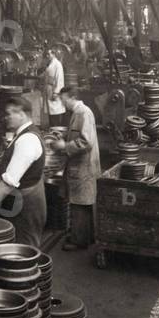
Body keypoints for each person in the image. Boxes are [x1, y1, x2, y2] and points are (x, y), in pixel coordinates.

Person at [0, 96, 47, 248]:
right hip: (18, 201)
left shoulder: (27, 139)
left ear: (22, 114)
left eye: (9, 114)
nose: (5, 118)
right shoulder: (20, 135)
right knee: (13, 249)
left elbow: (10, 180)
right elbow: (4, 166)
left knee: (24, 251)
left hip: (26, 206)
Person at [52, 86, 101, 251]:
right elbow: (79, 134)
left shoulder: (82, 113)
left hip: (83, 166)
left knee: (79, 202)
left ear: (72, 97)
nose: (62, 102)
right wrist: (65, 136)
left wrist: (64, 145)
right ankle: (86, 237)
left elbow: (86, 142)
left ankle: (78, 241)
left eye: (64, 99)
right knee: (83, 201)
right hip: (80, 165)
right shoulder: (78, 113)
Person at [41, 48, 66, 127]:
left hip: (54, 90)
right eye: (47, 54)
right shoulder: (50, 63)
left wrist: (56, 92)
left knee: (55, 112)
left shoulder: (57, 64)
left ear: (54, 54)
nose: (47, 56)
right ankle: (52, 130)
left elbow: (60, 79)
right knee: (51, 112)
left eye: (49, 54)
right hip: (48, 89)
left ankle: (56, 130)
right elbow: (46, 75)